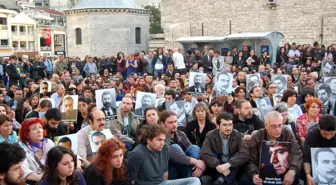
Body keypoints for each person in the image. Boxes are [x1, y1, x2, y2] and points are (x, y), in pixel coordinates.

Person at [127, 124, 201, 185]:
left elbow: (165, 173)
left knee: (194, 181)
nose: (162, 143)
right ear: (148, 140)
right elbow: (132, 180)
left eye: (163, 139)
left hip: (162, 183)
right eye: (159, 140)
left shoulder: (165, 147)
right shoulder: (137, 153)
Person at [248, 111, 302, 185]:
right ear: (266, 125)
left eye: (280, 125)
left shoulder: (287, 133)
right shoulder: (257, 136)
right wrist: (254, 174)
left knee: (295, 176)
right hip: (261, 170)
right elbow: (251, 159)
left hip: (285, 170)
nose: (278, 129)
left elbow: (296, 153)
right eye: (274, 126)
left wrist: (292, 170)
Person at [200, 112, 250, 185]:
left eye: (230, 125)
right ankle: (223, 179)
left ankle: (222, 179)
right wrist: (218, 165)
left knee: (237, 155)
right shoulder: (210, 135)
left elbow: (245, 153)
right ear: (217, 126)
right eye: (225, 125)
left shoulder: (237, 135)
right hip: (218, 165)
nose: (228, 128)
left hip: (231, 166)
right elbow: (204, 152)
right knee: (212, 153)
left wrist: (228, 164)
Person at [160, 111, 206, 179]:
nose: (174, 124)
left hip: (185, 168)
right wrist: (196, 162)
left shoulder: (181, 134)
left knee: (195, 148)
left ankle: (191, 177)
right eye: (170, 122)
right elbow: (174, 155)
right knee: (175, 147)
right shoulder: (160, 137)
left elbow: (192, 151)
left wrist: (200, 167)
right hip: (170, 170)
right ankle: (192, 179)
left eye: (175, 121)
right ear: (162, 124)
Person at [303, 115, 336, 185]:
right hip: (314, 169)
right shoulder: (312, 134)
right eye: (325, 134)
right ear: (319, 127)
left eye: (332, 134)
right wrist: (308, 174)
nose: (328, 137)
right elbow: (306, 157)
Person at [19, 118, 54, 182]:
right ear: (26, 134)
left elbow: (59, 158)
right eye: (34, 129)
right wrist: (40, 178)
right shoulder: (21, 147)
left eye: (40, 127)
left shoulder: (48, 143)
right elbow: (24, 169)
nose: (39, 131)